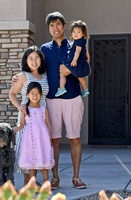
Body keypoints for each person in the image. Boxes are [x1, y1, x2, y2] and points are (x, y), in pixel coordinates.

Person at [40, 11, 89, 189]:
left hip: (73, 97)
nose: (55, 28)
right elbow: (36, 71)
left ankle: (76, 177)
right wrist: (20, 78)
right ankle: (55, 177)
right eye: (51, 25)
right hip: (52, 99)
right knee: (54, 140)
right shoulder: (44, 49)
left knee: (75, 138)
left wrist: (71, 72)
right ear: (49, 28)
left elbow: (85, 69)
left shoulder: (76, 45)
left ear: (63, 26)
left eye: (58, 24)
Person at [9, 45, 49, 185]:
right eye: (30, 58)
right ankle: (28, 181)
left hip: (41, 114)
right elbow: (12, 93)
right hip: (27, 115)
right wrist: (19, 106)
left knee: (39, 147)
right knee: (27, 147)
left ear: (40, 60)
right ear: (26, 61)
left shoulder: (44, 75)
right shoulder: (22, 76)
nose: (34, 61)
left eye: (36, 58)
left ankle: (35, 180)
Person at [14, 82, 55, 182]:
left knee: (44, 161)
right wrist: (12, 131)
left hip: (42, 138)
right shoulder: (24, 109)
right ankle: (32, 184)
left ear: (41, 95)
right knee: (32, 163)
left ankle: (46, 183)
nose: (35, 96)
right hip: (30, 139)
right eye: (32, 93)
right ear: (27, 94)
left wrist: (50, 137)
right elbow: (22, 124)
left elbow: (48, 124)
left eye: (37, 93)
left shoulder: (43, 109)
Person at [55, 20, 91, 97]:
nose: (75, 34)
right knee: (80, 77)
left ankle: (61, 88)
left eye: (78, 32)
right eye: (74, 32)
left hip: (74, 63)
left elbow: (77, 51)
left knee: (61, 73)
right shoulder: (80, 41)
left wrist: (74, 60)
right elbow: (85, 51)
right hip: (78, 63)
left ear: (83, 33)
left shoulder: (79, 42)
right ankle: (85, 89)